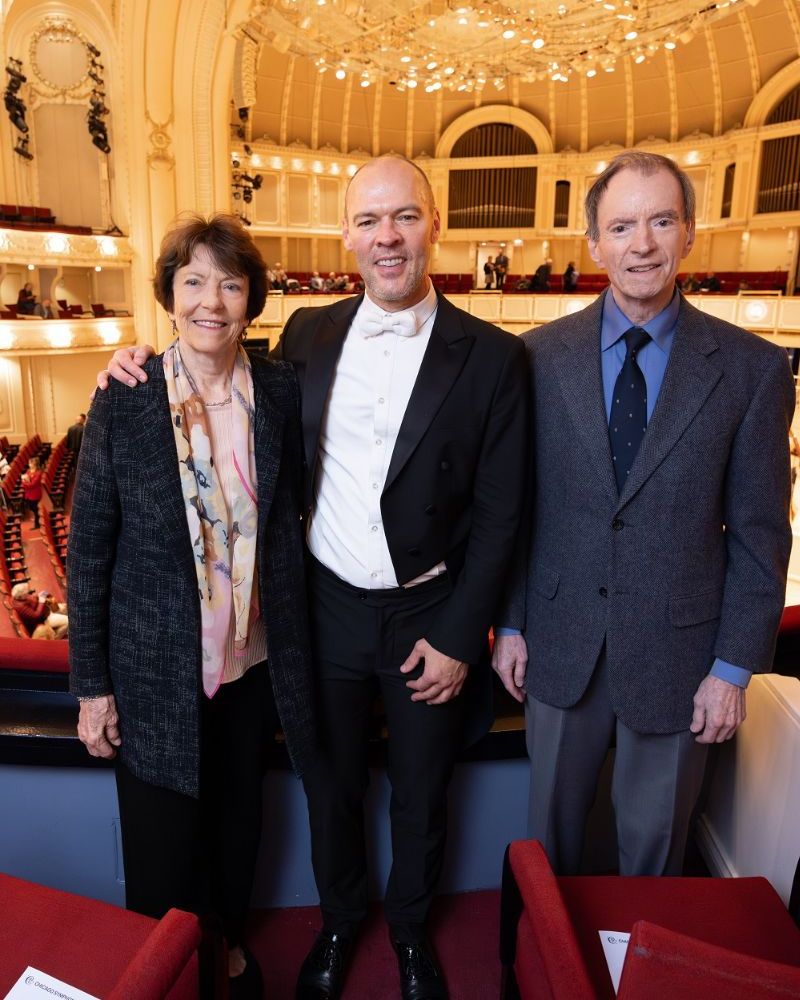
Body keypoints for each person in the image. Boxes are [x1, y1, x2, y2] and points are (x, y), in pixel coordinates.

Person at [99, 155, 528, 1000]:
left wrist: (460, 635)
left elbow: (505, 515)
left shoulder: (493, 356)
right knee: (329, 782)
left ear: (433, 224)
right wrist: (134, 362)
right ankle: (338, 922)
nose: (387, 237)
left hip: (429, 612)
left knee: (420, 791)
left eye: (403, 217)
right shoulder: (307, 336)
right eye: (369, 221)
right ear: (346, 236)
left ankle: (409, 932)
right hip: (322, 609)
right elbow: (210, 365)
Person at [493, 150, 794, 880]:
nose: (643, 244)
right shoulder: (532, 357)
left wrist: (732, 667)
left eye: (661, 221)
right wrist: (509, 622)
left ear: (689, 232)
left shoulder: (752, 369)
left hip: (682, 656)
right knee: (549, 849)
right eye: (622, 226)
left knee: (653, 855)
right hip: (559, 645)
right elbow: (514, 510)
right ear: (594, 244)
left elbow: (760, 533)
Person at [70, 213, 316, 998]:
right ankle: (168, 973)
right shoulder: (127, 396)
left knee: (239, 829)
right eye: (195, 282)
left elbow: (294, 514)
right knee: (163, 845)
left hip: (251, 665)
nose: (213, 301)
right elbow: (89, 550)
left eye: (231, 283)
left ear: (253, 299)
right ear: (171, 296)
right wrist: (91, 686)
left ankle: (230, 951)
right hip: (151, 673)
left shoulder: (279, 390)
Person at [20, 456, 43, 528]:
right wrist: (26, 482)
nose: (29, 464)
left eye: (30, 463)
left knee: (35, 509)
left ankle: (37, 524)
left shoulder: (38, 473)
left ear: (34, 464)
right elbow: (25, 480)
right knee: (31, 508)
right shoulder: (28, 471)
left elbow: (32, 484)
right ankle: (37, 521)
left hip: (35, 494)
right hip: (28, 493)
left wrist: (24, 483)